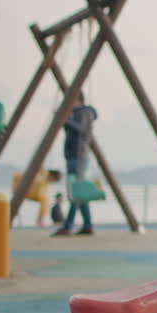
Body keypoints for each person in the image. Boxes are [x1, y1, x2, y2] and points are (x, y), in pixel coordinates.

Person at [54, 101, 98, 236]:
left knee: (76, 191)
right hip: (73, 156)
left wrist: (65, 119)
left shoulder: (85, 112)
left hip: (79, 156)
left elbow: (80, 129)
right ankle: (88, 225)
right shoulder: (76, 114)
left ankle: (68, 225)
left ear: (77, 98)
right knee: (78, 192)